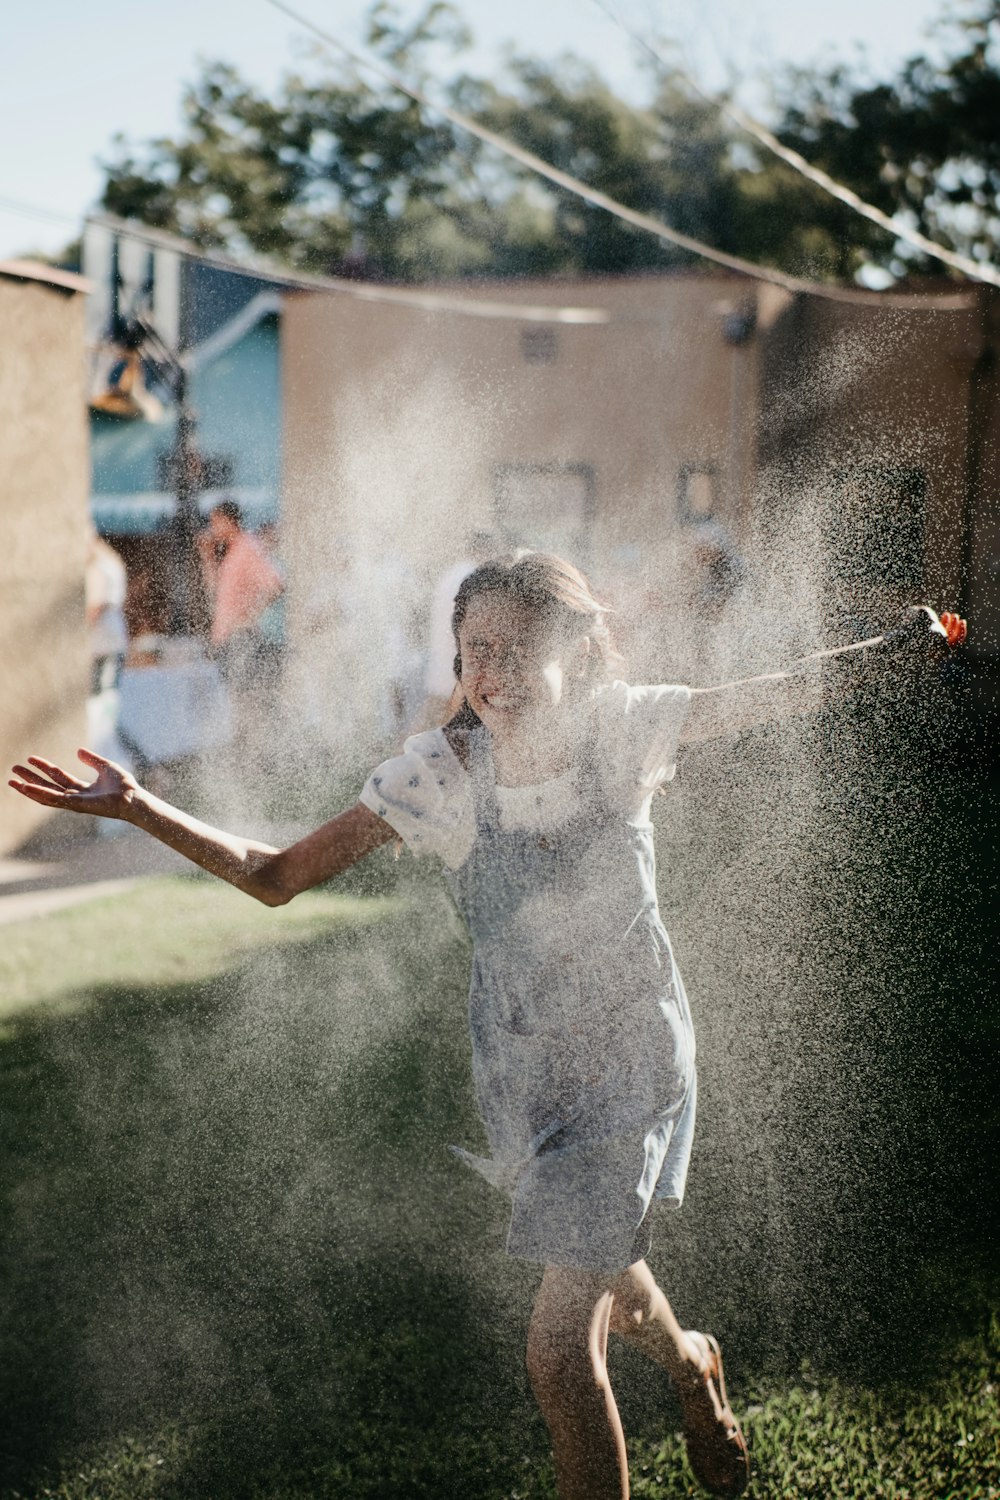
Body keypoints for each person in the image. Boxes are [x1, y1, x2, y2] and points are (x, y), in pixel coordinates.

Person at [8, 552, 966, 1500]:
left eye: (516, 649)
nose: (493, 674)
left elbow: (766, 693)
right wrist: (135, 805)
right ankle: (692, 1363)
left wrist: (891, 648)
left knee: (558, 1354)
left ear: (577, 655)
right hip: (525, 1073)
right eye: (475, 652)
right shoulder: (439, 774)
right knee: (603, 1269)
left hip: (631, 1062)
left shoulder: (623, 729)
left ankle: (679, 1373)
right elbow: (276, 876)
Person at [196, 500, 284, 692]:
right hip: (228, 639)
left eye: (215, 523)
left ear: (228, 521)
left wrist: (249, 617)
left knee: (246, 699)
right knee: (237, 699)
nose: (212, 529)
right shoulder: (232, 553)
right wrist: (207, 557)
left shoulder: (247, 547)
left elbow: (275, 584)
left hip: (241, 638)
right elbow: (214, 594)